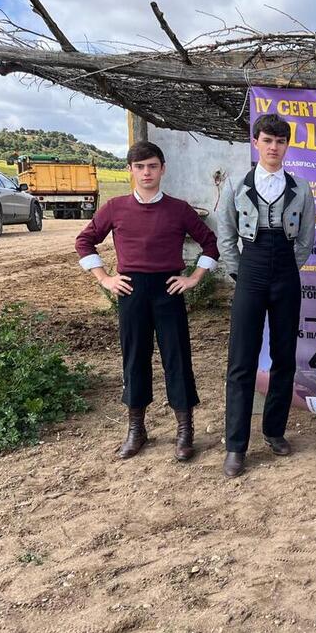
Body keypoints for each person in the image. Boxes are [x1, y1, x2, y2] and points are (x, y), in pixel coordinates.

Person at [76, 141, 219, 461]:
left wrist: (194, 278)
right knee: (135, 358)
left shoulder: (179, 209)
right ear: (130, 170)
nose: (146, 172)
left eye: (152, 166)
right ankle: (136, 429)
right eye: (139, 167)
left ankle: (184, 432)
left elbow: (210, 243)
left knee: (177, 358)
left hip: (168, 289)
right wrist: (104, 278)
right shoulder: (115, 207)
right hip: (131, 291)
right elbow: (84, 241)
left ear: (162, 169)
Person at [217, 114, 316, 478]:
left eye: (280, 141)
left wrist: (289, 269)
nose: (274, 147)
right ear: (256, 143)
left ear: (287, 146)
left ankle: (274, 431)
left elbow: (306, 239)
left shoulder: (301, 188)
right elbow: (225, 235)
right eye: (268, 140)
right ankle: (236, 446)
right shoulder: (236, 185)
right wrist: (240, 272)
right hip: (251, 266)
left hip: (286, 269)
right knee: (241, 359)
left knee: (284, 356)